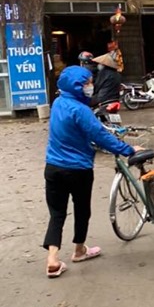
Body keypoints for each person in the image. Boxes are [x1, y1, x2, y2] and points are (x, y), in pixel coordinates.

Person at [43, 65, 136, 278]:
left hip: (53, 168)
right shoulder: (81, 110)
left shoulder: (58, 103)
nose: (90, 86)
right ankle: (79, 250)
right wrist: (128, 149)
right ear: (77, 85)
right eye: (86, 83)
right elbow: (100, 136)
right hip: (78, 170)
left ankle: (52, 259)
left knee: (56, 214)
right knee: (81, 209)